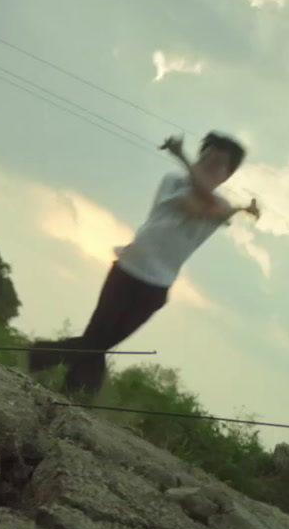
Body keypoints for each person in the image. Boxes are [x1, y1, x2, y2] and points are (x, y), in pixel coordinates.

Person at [29, 132, 260, 396]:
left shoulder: (222, 204)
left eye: (218, 164)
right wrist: (183, 158)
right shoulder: (174, 182)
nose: (208, 166)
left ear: (228, 174)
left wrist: (237, 208)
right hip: (128, 270)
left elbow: (212, 207)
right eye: (205, 159)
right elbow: (194, 207)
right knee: (95, 341)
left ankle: (40, 361)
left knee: (98, 344)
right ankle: (69, 397)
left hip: (158, 286)